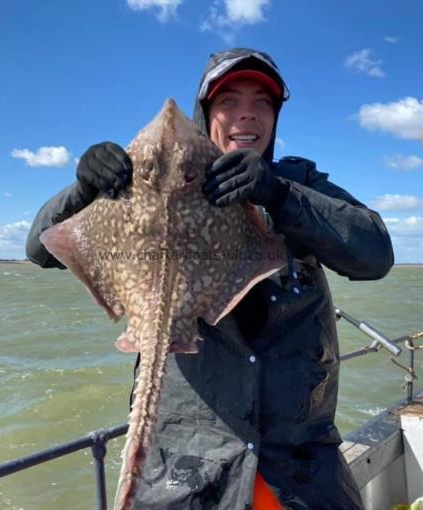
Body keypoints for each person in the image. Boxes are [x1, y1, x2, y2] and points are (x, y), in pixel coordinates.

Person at [26, 48, 394, 509]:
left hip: (300, 464)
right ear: (206, 113)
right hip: (187, 464)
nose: (247, 115)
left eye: (262, 103)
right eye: (229, 102)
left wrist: (278, 194)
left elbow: (375, 254)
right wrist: (84, 189)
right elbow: (41, 247)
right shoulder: (138, 183)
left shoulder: (298, 182)